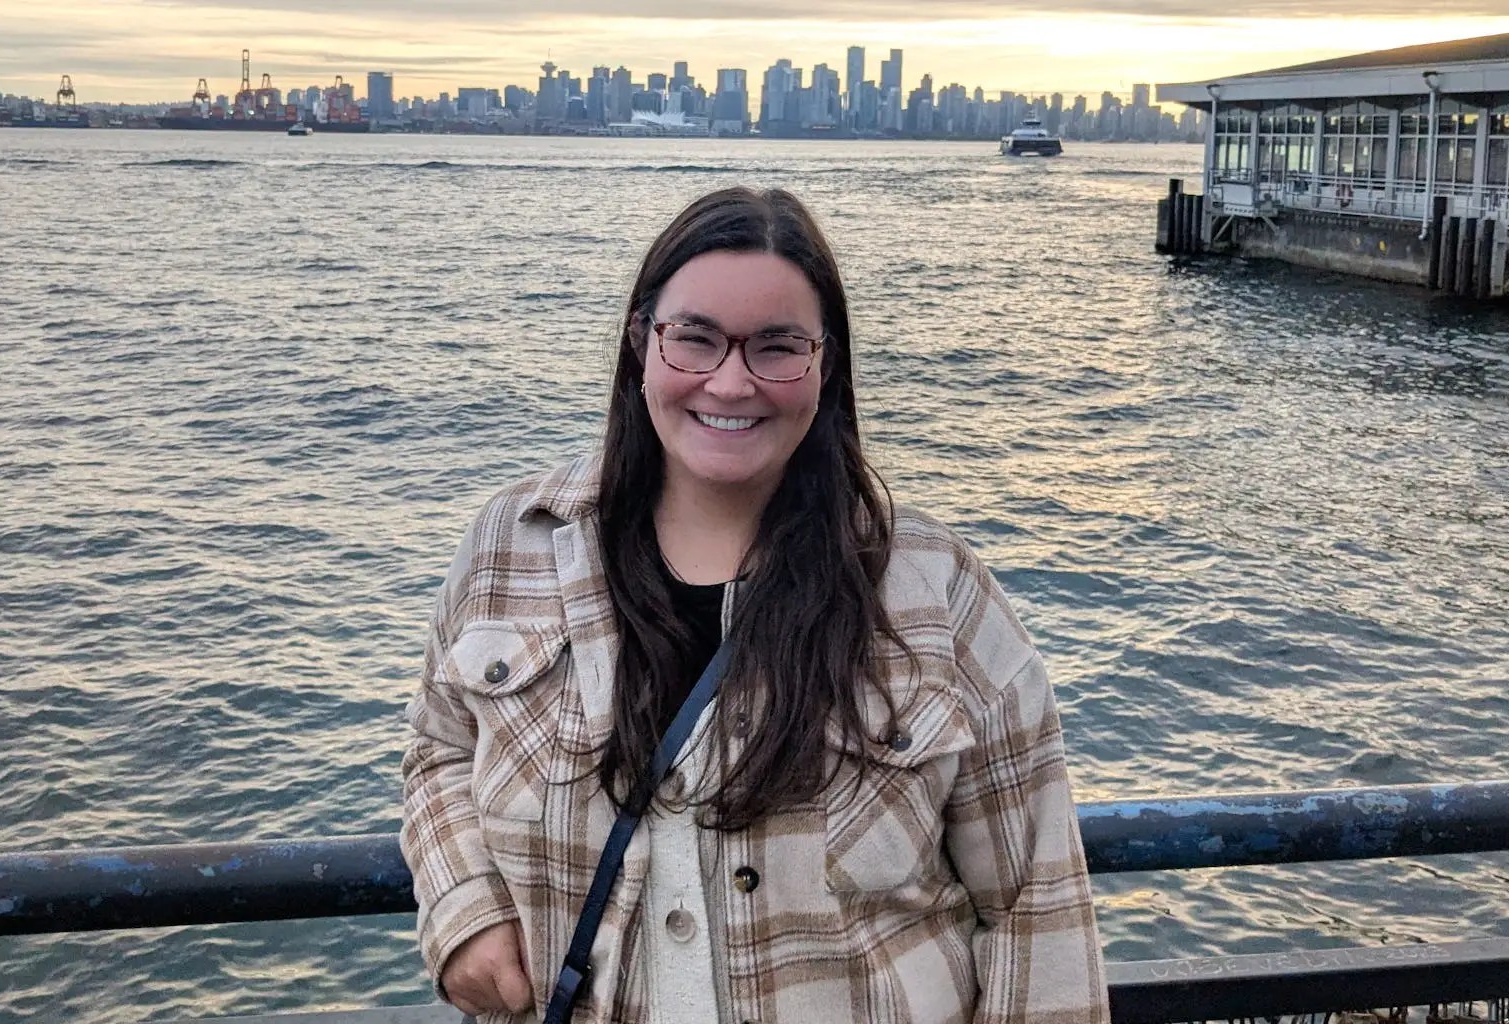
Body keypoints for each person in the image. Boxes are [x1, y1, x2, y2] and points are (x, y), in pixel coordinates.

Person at [400, 186, 1107, 1024]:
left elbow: (1036, 903)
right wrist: (463, 911)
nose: (731, 383)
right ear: (641, 344)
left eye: (777, 347)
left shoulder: (934, 589)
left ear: (825, 365)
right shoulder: (511, 545)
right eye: (694, 339)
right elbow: (440, 750)